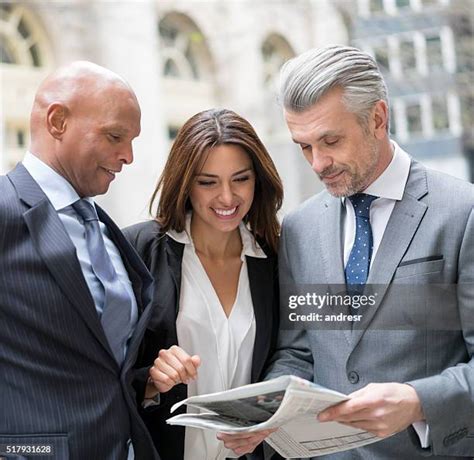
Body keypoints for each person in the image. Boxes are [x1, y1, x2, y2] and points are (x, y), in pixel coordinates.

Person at [219, 45, 474, 458]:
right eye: (304, 146)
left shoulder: (464, 213)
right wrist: (264, 412)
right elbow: (300, 351)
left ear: (377, 118)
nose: (318, 163)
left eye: (330, 140)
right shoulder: (300, 228)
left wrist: (418, 400)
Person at [0, 62, 159, 460]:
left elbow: (99, 361)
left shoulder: (104, 227)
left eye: (132, 140)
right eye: (115, 136)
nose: (128, 156)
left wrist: (146, 381)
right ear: (58, 121)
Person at [123, 108, 283, 460]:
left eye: (240, 179)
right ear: (185, 183)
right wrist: (151, 379)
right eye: (208, 182)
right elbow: (107, 370)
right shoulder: (138, 250)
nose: (227, 198)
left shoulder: (274, 259)